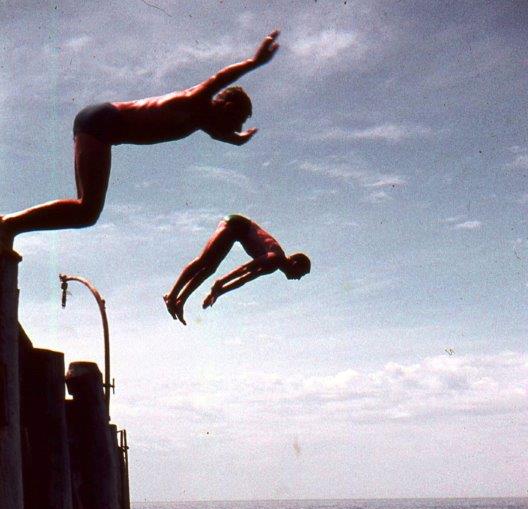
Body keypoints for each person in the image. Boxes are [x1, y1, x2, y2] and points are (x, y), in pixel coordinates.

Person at [0, 31, 280, 253]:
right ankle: (8, 224)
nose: (238, 125)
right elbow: (220, 78)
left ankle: (10, 225)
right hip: (102, 121)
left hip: (101, 126)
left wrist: (241, 139)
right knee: (87, 209)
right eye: (239, 118)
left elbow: (225, 135)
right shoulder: (197, 101)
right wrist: (253, 63)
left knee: (86, 212)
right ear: (226, 106)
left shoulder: (203, 123)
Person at [163, 214, 311, 325]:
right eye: (300, 273)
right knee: (205, 261)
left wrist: (219, 292)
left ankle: (180, 301)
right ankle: (173, 295)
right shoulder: (276, 258)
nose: (298, 278)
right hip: (234, 224)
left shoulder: (274, 266)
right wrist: (220, 283)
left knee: (210, 268)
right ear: (295, 263)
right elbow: (244, 268)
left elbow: (244, 279)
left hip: (237, 233)